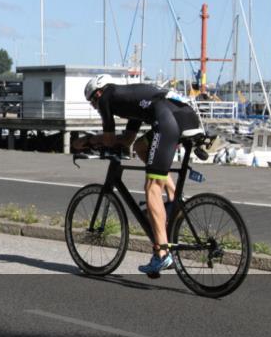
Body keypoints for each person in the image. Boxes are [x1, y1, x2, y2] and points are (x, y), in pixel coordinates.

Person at [73, 74, 202, 277]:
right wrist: (107, 142)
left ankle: (162, 253)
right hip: (184, 114)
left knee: (151, 188)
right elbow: (128, 140)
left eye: (92, 102)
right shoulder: (129, 100)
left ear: (98, 93)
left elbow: (108, 139)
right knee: (142, 147)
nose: (95, 107)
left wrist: (88, 140)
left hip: (168, 117)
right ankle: (174, 199)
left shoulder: (107, 96)